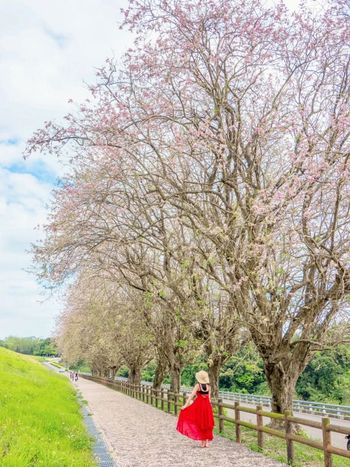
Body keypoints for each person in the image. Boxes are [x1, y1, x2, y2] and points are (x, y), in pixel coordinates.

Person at [176, 370, 214, 448]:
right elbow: (209, 399)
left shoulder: (198, 386)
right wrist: (210, 408)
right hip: (207, 407)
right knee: (207, 423)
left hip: (199, 406)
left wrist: (185, 405)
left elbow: (191, 396)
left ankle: (203, 442)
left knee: (200, 422)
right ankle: (206, 442)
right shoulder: (209, 387)